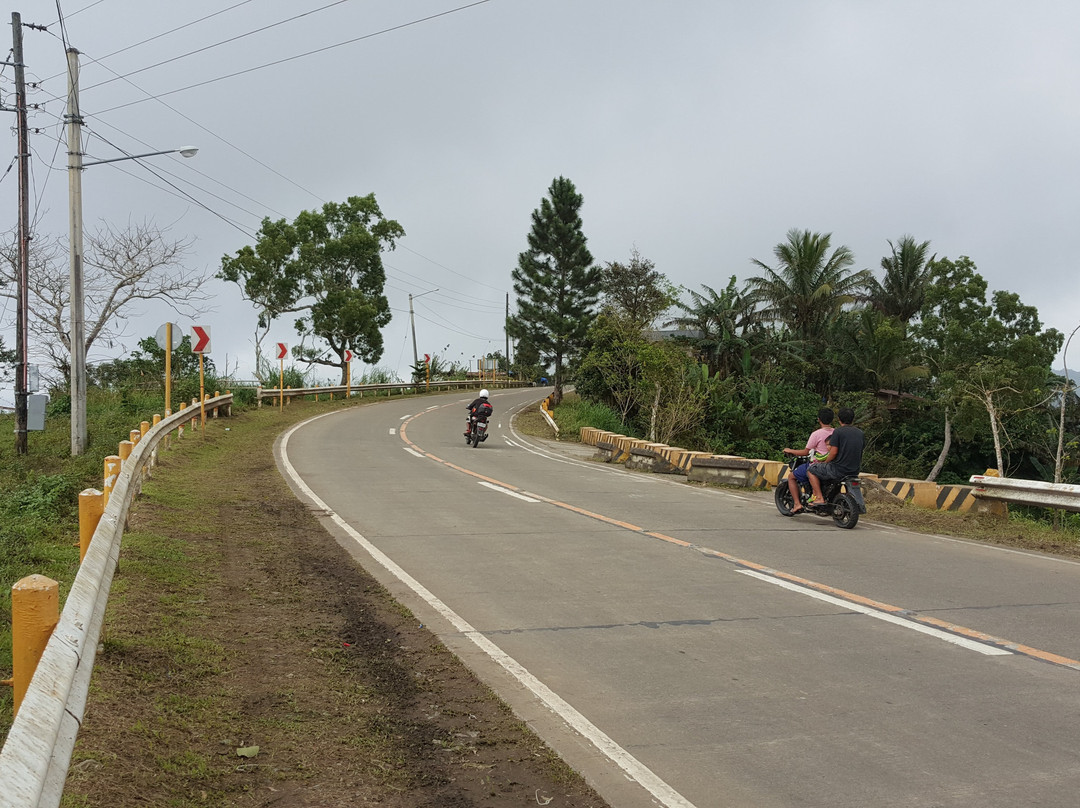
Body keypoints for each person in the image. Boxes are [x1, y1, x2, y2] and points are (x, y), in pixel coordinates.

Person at [794, 406, 864, 515]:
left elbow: (834, 452)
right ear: (852, 419)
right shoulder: (860, 433)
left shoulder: (838, 432)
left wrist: (826, 462)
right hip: (854, 470)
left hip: (838, 469)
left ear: (839, 419)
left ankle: (819, 497)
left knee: (811, 469)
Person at [782, 407, 834, 514]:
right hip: (831, 465)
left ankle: (797, 504)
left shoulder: (816, 434)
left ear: (819, 419)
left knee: (791, 477)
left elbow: (806, 452)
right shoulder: (836, 432)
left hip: (817, 465)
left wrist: (790, 450)